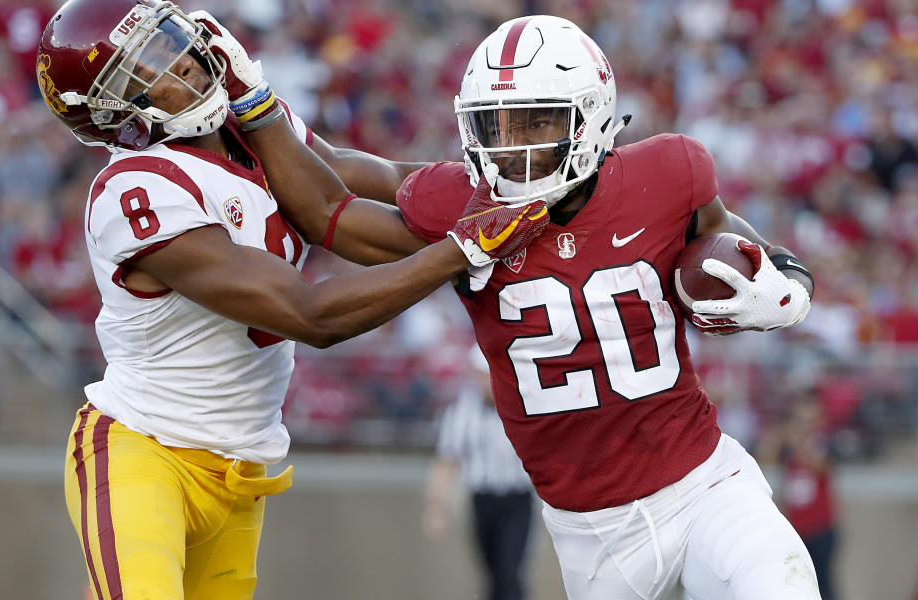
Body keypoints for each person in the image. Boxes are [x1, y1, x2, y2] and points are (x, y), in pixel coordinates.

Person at [256, 14, 823, 600]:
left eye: (539, 120)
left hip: (704, 481)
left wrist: (785, 290)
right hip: (590, 532)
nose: (514, 145)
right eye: (497, 126)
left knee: (781, 583)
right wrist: (253, 108)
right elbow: (333, 201)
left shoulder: (669, 172)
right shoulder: (464, 207)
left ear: (592, 113)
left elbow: (747, 246)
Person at [35, 1, 550, 598]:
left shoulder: (241, 128)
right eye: (145, 65)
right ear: (111, 113)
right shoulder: (135, 187)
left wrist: (509, 184)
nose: (182, 62)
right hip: (145, 454)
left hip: (238, 466)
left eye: (171, 38)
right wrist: (460, 251)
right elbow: (311, 315)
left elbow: (361, 182)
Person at [423, 344, 536, 600]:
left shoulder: (522, 406)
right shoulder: (461, 412)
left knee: (511, 573)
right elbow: (447, 460)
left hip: (517, 500)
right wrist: (435, 505)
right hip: (481, 501)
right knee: (493, 574)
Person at [757, 397, 841, 600]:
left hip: (821, 529)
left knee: (824, 584)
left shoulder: (822, 444)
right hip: (796, 530)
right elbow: (764, 459)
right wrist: (775, 438)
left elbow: (824, 467)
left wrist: (798, 445)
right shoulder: (788, 449)